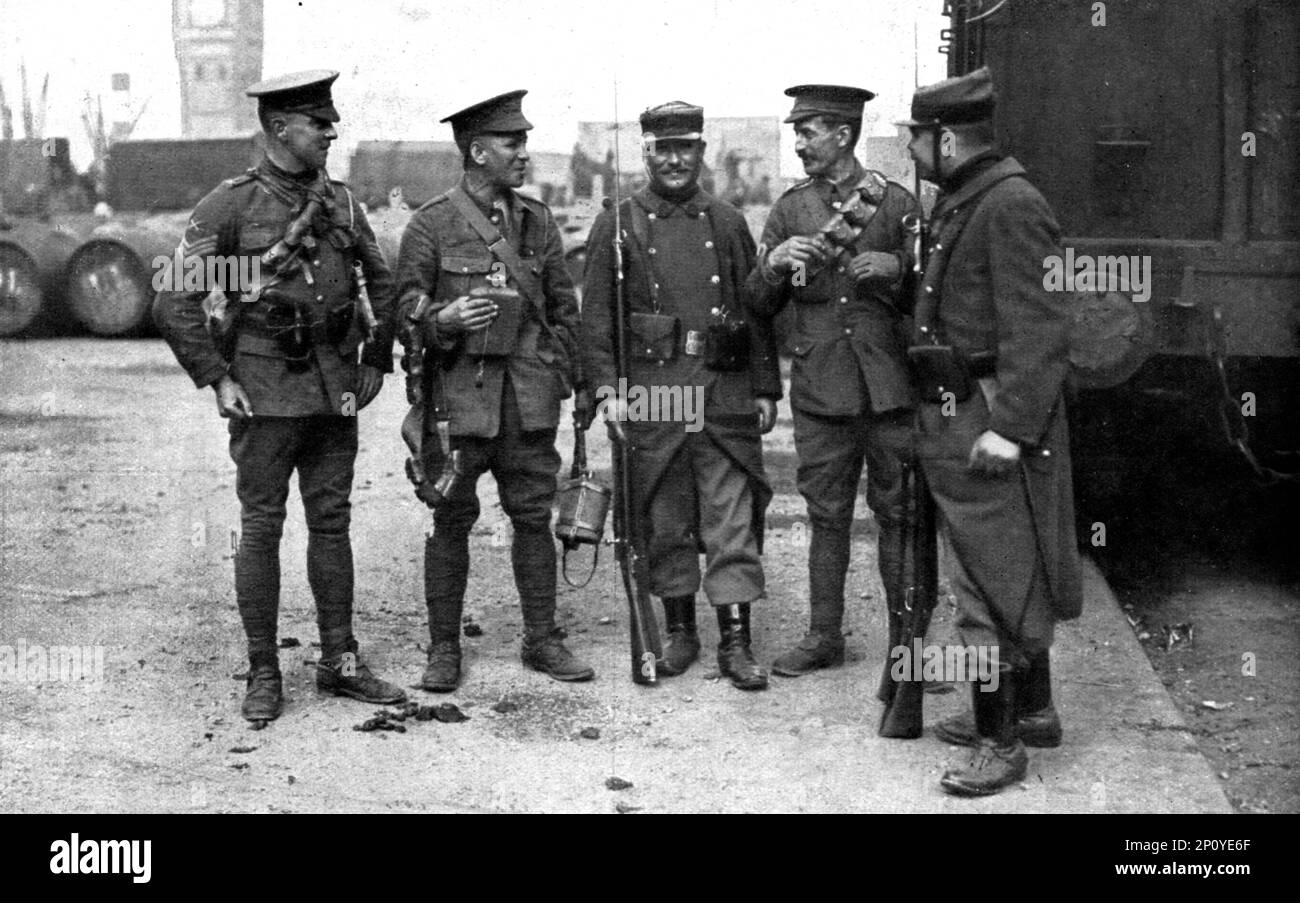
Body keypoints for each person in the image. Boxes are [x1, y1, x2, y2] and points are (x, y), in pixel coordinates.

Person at [153, 70, 406, 722]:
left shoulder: (343, 204)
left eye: (331, 120)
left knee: (333, 523)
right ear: (279, 128)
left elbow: (385, 283)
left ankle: (339, 661)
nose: (332, 130)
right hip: (263, 396)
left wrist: (377, 358)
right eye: (319, 122)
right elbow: (172, 297)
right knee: (261, 530)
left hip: (334, 392)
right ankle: (263, 670)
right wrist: (218, 375)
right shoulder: (229, 207)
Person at [900, 67, 1083, 796]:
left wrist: (1009, 427)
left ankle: (999, 741)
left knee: (988, 581)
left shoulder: (1009, 204)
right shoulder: (969, 199)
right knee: (1006, 565)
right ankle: (1033, 709)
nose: (911, 151)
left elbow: (1041, 326)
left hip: (988, 416)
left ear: (946, 138)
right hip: (960, 410)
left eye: (915, 138)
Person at [395, 90, 594, 692]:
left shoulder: (537, 220)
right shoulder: (431, 222)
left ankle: (542, 639)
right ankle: (444, 648)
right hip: (458, 400)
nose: (524, 154)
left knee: (533, 516)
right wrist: (443, 319)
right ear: (477, 151)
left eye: (525, 142)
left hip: (528, 398)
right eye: (512, 144)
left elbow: (563, 308)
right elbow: (402, 308)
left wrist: (577, 384)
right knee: (450, 517)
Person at [581, 101, 782, 690]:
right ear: (645, 153)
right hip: (655, 392)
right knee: (665, 518)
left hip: (722, 388)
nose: (674, 160)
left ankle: (736, 641)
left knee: (730, 519)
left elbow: (755, 312)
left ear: (701, 153)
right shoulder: (617, 224)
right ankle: (679, 633)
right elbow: (596, 320)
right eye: (662, 149)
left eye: (685, 148)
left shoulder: (726, 221)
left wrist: (766, 386)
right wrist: (605, 391)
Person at [746, 85, 918, 677]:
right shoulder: (790, 211)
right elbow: (756, 305)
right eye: (797, 132)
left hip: (889, 386)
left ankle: (908, 643)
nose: (798, 144)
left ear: (843, 134)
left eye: (808, 131)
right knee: (827, 515)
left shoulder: (895, 205)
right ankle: (824, 636)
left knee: (899, 514)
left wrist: (899, 271)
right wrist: (770, 267)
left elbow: (932, 297)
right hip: (822, 389)